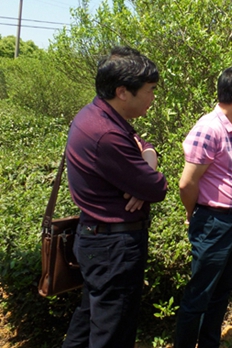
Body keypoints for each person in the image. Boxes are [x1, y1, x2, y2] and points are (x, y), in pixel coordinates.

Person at [62, 46, 168, 348]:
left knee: (89, 323)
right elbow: (157, 188)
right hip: (113, 248)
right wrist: (145, 179)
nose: (153, 97)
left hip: (98, 239)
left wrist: (146, 161)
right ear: (123, 91)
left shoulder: (96, 113)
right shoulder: (106, 133)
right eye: (149, 90)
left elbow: (142, 143)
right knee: (113, 333)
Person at [175, 65, 232, 348]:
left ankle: (209, 343)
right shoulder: (209, 128)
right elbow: (187, 183)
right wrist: (192, 213)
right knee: (200, 293)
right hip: (214, 222)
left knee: (222, 290)